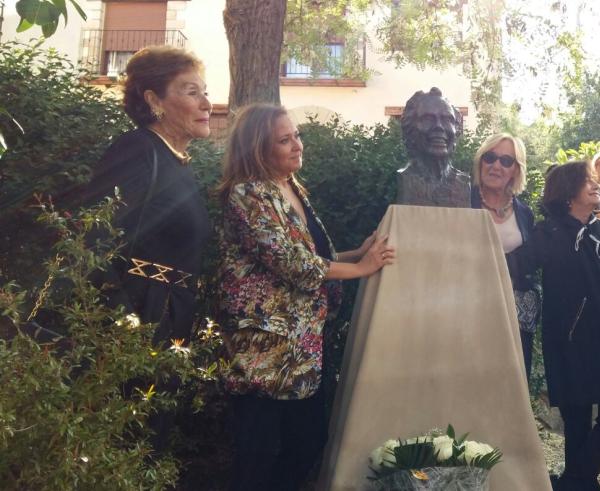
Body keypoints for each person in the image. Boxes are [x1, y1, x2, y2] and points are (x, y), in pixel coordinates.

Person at [216, 104, 395, 491]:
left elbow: (317, 259)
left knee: (308, 442)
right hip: (263, 352)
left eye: (296, 135)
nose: (297, 145)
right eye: (285, 140)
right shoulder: (248, 194)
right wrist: (363, 269)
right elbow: (294, 264)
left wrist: (355, 254)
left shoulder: (290, 188)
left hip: (300, 349)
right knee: (258, 455)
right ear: (258, 149)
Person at [85, 45, 213, 451]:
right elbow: (94, 241)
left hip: (171, 316)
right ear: (154, 100)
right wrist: (125, 323)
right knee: (127, 441)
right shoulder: (136, 150)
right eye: (191, 92)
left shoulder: (177, 162)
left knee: (151, 439)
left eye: (205, 91)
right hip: (141, 317)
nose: (207, 103)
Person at [508, 160, 600, 491]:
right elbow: (514, 267)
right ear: (568, 193)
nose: (597, 185)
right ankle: (580, 484)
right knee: (576, 425)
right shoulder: (546, 233)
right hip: (568, 341)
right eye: (588, 181)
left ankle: (569, 483)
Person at [469, 133, 539, 380]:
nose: (496, 165)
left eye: (506, 161)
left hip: (514, 319)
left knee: (513, 383)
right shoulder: (460, 202)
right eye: (490, 157)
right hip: (470, 313)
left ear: (515, 170)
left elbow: (529, 262)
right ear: (480, 162)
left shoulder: (525, 214)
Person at [395, 87, 471, 207]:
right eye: (428, 119)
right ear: (411, 129)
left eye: (447, 119)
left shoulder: (463, 183)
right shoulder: (405, 180)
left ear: (456, 130)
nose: (439, 126)